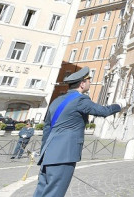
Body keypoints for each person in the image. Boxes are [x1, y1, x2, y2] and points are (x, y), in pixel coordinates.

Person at [33, 67, 121, 197]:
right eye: (88, 80)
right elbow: (103, 111)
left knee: (41, 191)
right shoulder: (80, 100)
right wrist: (119, 105)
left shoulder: (56, 100)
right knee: (54, 192)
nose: (90, 83)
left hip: (48, 153)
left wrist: (44, 152)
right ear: (82, 84)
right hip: (64, 154)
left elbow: (47, 128)